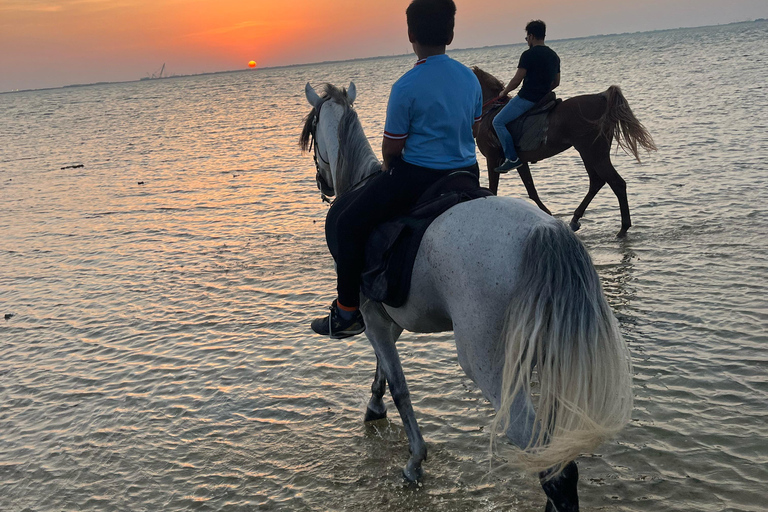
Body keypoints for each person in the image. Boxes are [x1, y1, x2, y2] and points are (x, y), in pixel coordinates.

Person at [311, 0, 482, 339]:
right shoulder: (470, 79)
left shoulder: (406, 86)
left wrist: (392, 171)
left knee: (346, 223)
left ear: (410, 34)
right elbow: (474, 131)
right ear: (450, 32)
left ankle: (347, 313)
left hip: (416, 178)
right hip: (467, 175)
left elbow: (391, 149)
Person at [493, 20, 560, 172]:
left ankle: (512, 158)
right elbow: (556, 82)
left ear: (530, 36)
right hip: (545, 98)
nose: (527, 41)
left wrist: (504, 92)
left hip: (527, 98)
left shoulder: (528, 55)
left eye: (527, 38)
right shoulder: (553, 55)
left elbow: (517, 79)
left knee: (498, 122)